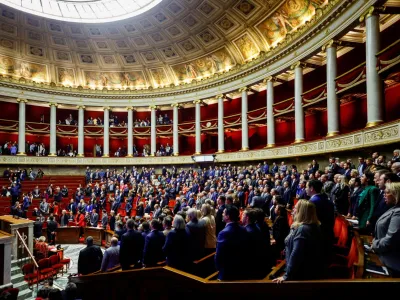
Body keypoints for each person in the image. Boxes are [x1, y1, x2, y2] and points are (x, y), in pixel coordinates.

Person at [273, 200, 324, 283]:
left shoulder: (303, 229)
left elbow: (296, 254)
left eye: (295, 208)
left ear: (302, 212)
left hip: (299, 276)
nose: (292, 210)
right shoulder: (313, 226)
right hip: (304, 272)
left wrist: (286, 276)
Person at [372, 182, 400, 276]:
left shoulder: (398, 213)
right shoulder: (393, 208)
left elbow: (390, 241)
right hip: (383, 257)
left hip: (392, 265)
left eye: (387, 192)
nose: (384, 195)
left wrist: (374, 244)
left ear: (396, 194)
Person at [215, 205, 249, 280]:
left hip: (226, 271)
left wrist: (218, 269)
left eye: (224, 213)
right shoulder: (243, 229)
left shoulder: (223, 233)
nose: (222, 214)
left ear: (228, 216)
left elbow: (219, 255)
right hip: (240, 268)